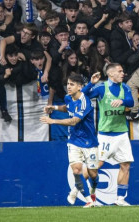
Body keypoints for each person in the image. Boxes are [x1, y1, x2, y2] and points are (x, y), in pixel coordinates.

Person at [40, 73, 99, 208]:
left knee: (93, 174)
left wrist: (53, 120)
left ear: (79, 87)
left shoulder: (86, 102)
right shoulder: (68, 98)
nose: (68, 87)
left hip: (89, 142)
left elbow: (74, 121)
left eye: (72, 84)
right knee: (77, 171)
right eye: (67, 84)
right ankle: (89, 200)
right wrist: (54, 107)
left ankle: (93, 190)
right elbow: (67, 108)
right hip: (73, 141)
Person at [81, 63, 135, 206]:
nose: (123, 73)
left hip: (122, 133)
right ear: (111, 74)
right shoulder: (101, 87)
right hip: (105, 134)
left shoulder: (125, 87)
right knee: (97, 165)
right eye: (120, 71)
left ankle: (120, 199)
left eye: (122, 71)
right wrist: (90, 83)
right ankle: (77, 185)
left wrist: (122, 101)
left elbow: (131, 102)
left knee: (125, 165)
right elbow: (82, 95)